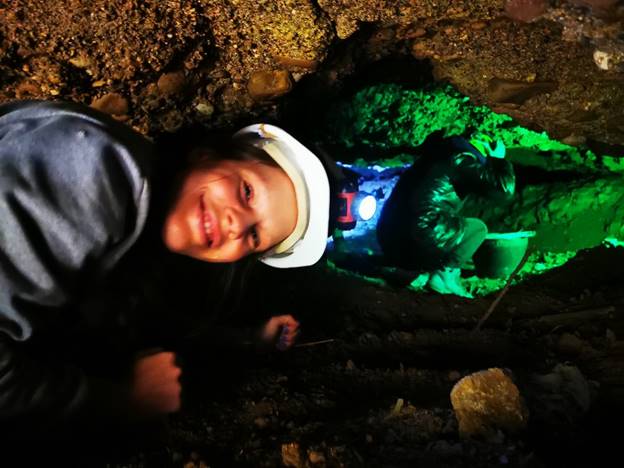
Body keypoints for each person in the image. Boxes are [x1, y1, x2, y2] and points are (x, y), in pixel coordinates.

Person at [0, 100, 331, 446]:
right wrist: (123, 401)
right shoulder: (98, 171)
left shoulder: (138, 213)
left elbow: (139, 313)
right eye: (247, 192)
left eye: (254, 236)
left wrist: (249, 338)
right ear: (206, 155)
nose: (237, 225)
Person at [376, 130, 516, 297]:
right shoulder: (462, 158)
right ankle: (445, 275)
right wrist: (498, 160)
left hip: (389, 237)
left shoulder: (434, 155)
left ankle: (417, 271)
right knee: (477, 229)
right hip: (420, 234)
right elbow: (504, 190)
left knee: (447, 225)